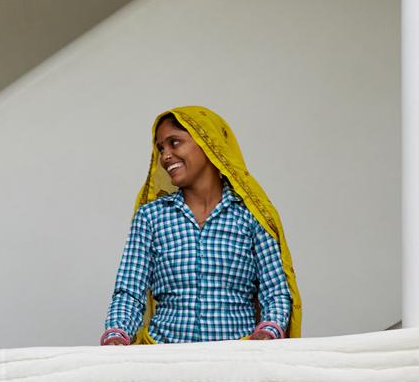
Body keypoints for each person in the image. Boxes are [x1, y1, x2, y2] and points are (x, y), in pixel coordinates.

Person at [102, 106, 300, 347]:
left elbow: (275, 292)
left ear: (208, 143)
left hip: (238, 356)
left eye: (175, 143)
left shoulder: (251, 215)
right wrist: (116, 334)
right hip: (164, 355)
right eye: (161, 148)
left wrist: (268, 331)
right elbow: (129, 291)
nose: (165, 156)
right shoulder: (151, 217)